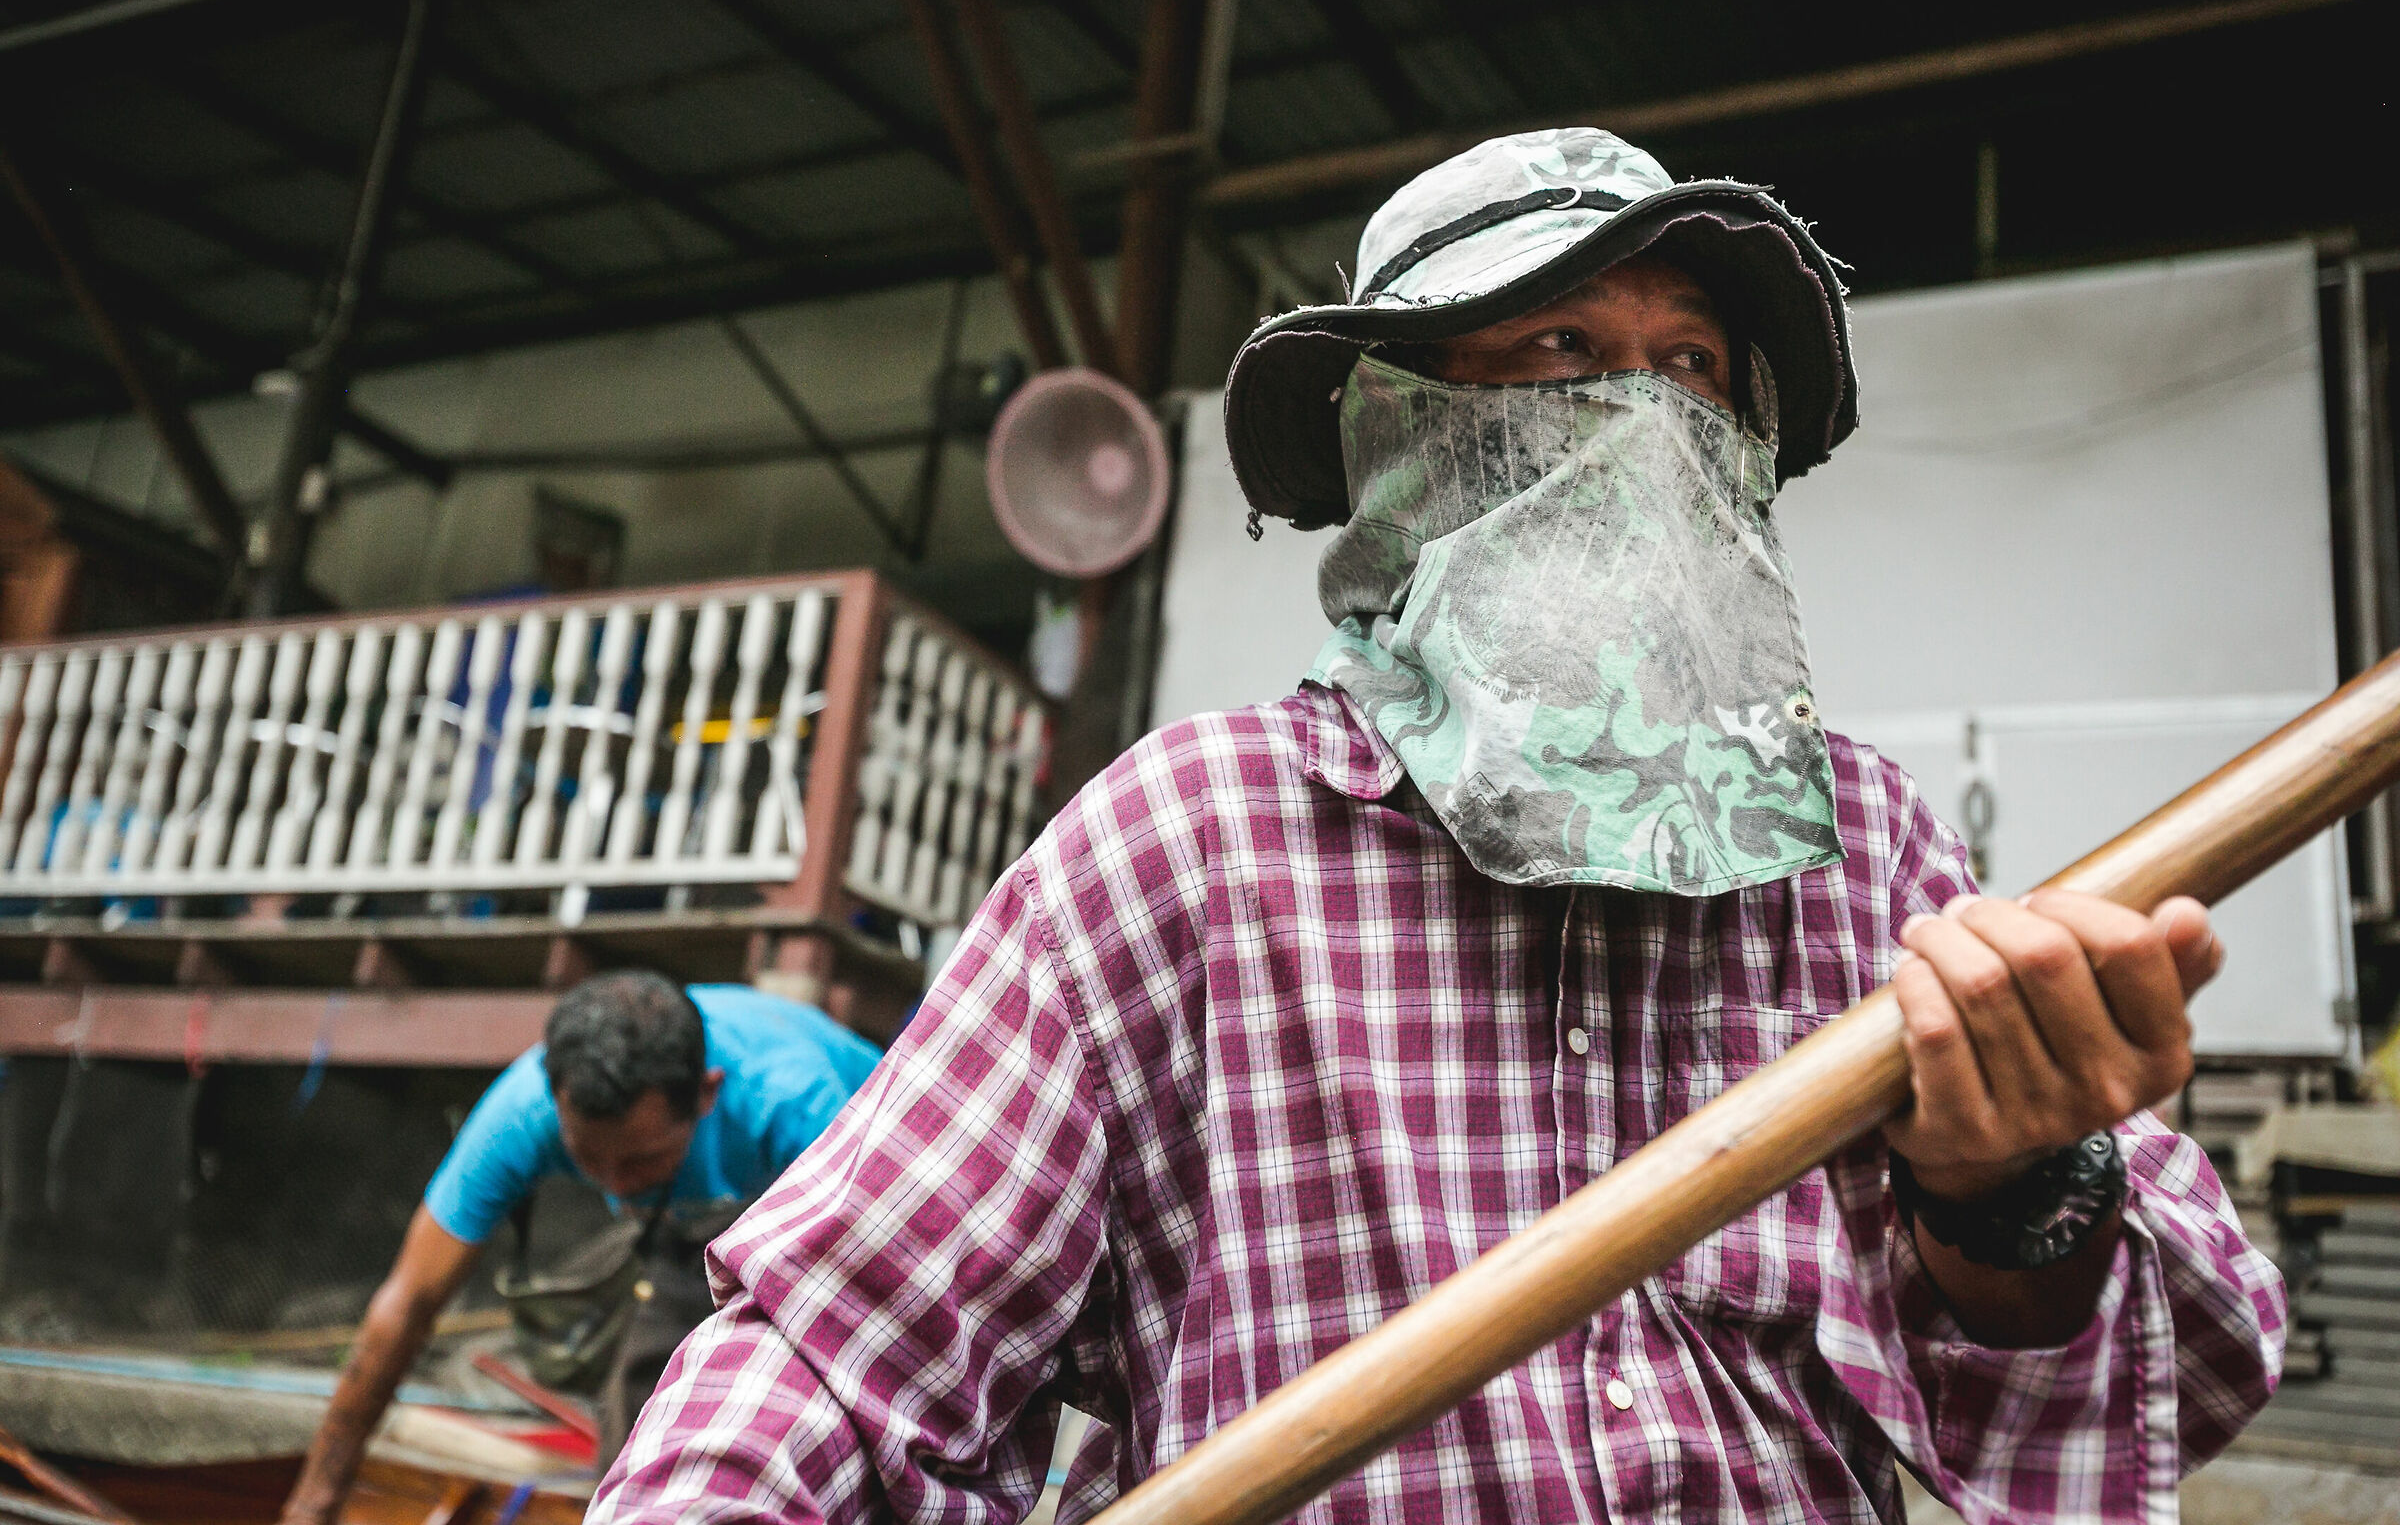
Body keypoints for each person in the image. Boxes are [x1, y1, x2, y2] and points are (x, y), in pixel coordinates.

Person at [589, 131, 2283, 1524]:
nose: (1645, 418)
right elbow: (839, 1349)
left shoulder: (1861, 863)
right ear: (1395, 426)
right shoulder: (1186, 848)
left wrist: (2014, 1200)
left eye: (1691, 364)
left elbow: (2187, 1376)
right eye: (1557, 352)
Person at [278, 970, 881, 1525]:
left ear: (706, 1094)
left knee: (795, 1421)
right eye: (589, 1160)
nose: (616, 1188)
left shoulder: (793, 1102)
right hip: (688, 1229)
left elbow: (876, 1290)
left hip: (870, 1218)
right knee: (640, 1408)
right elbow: (408, 1300)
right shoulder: (523, 1112)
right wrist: (313, 1501)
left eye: (641, 1160)